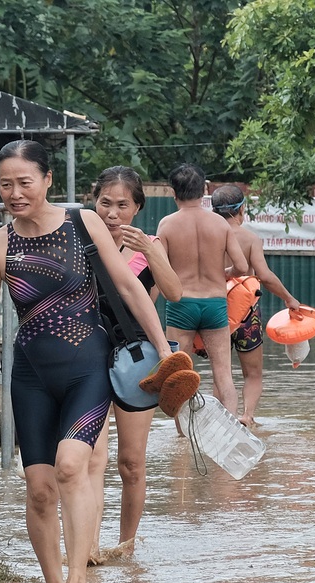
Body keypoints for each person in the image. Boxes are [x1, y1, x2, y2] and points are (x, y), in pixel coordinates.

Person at [0, 141, 174, 583]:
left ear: (47, 181)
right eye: (5, 184)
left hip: (88, 367)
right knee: (38, 489)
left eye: (25, 182)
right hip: (31, 376)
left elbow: (126, 285)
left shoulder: (83, 224)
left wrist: (164, 352)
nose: (15, 193)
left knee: (70, 466)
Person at [86, 166, 183, 560]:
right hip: (88, 355)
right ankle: (87, 546)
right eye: (104, 203)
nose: (112, 213)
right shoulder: (81, 240)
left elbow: (174, 292)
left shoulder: (150, 246)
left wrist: (148, 250)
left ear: (137, 207)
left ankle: (125, 548)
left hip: (134, 359)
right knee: (91, 458)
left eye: (122, 205)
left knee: (131, 462)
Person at [156, 163, 248, 417]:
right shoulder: (220, 224)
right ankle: (230, 429)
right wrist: (224, 274)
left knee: (179, 375)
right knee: (223, 373)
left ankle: (183, 438)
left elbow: (159, 269)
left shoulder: (166, 225)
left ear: (173, 193)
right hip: (215, 303)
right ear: (204, 190)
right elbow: (241, 266)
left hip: (181, 304)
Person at [211, 185, 301, 427]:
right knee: (253, 373)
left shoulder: (207, 236)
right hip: (245, 313)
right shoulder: (249, 238)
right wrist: (289, 298)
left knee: (221, 375)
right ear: (242, 209)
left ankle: (219, 421)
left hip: (214, 312)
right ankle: (247, 416)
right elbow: (265, 276)